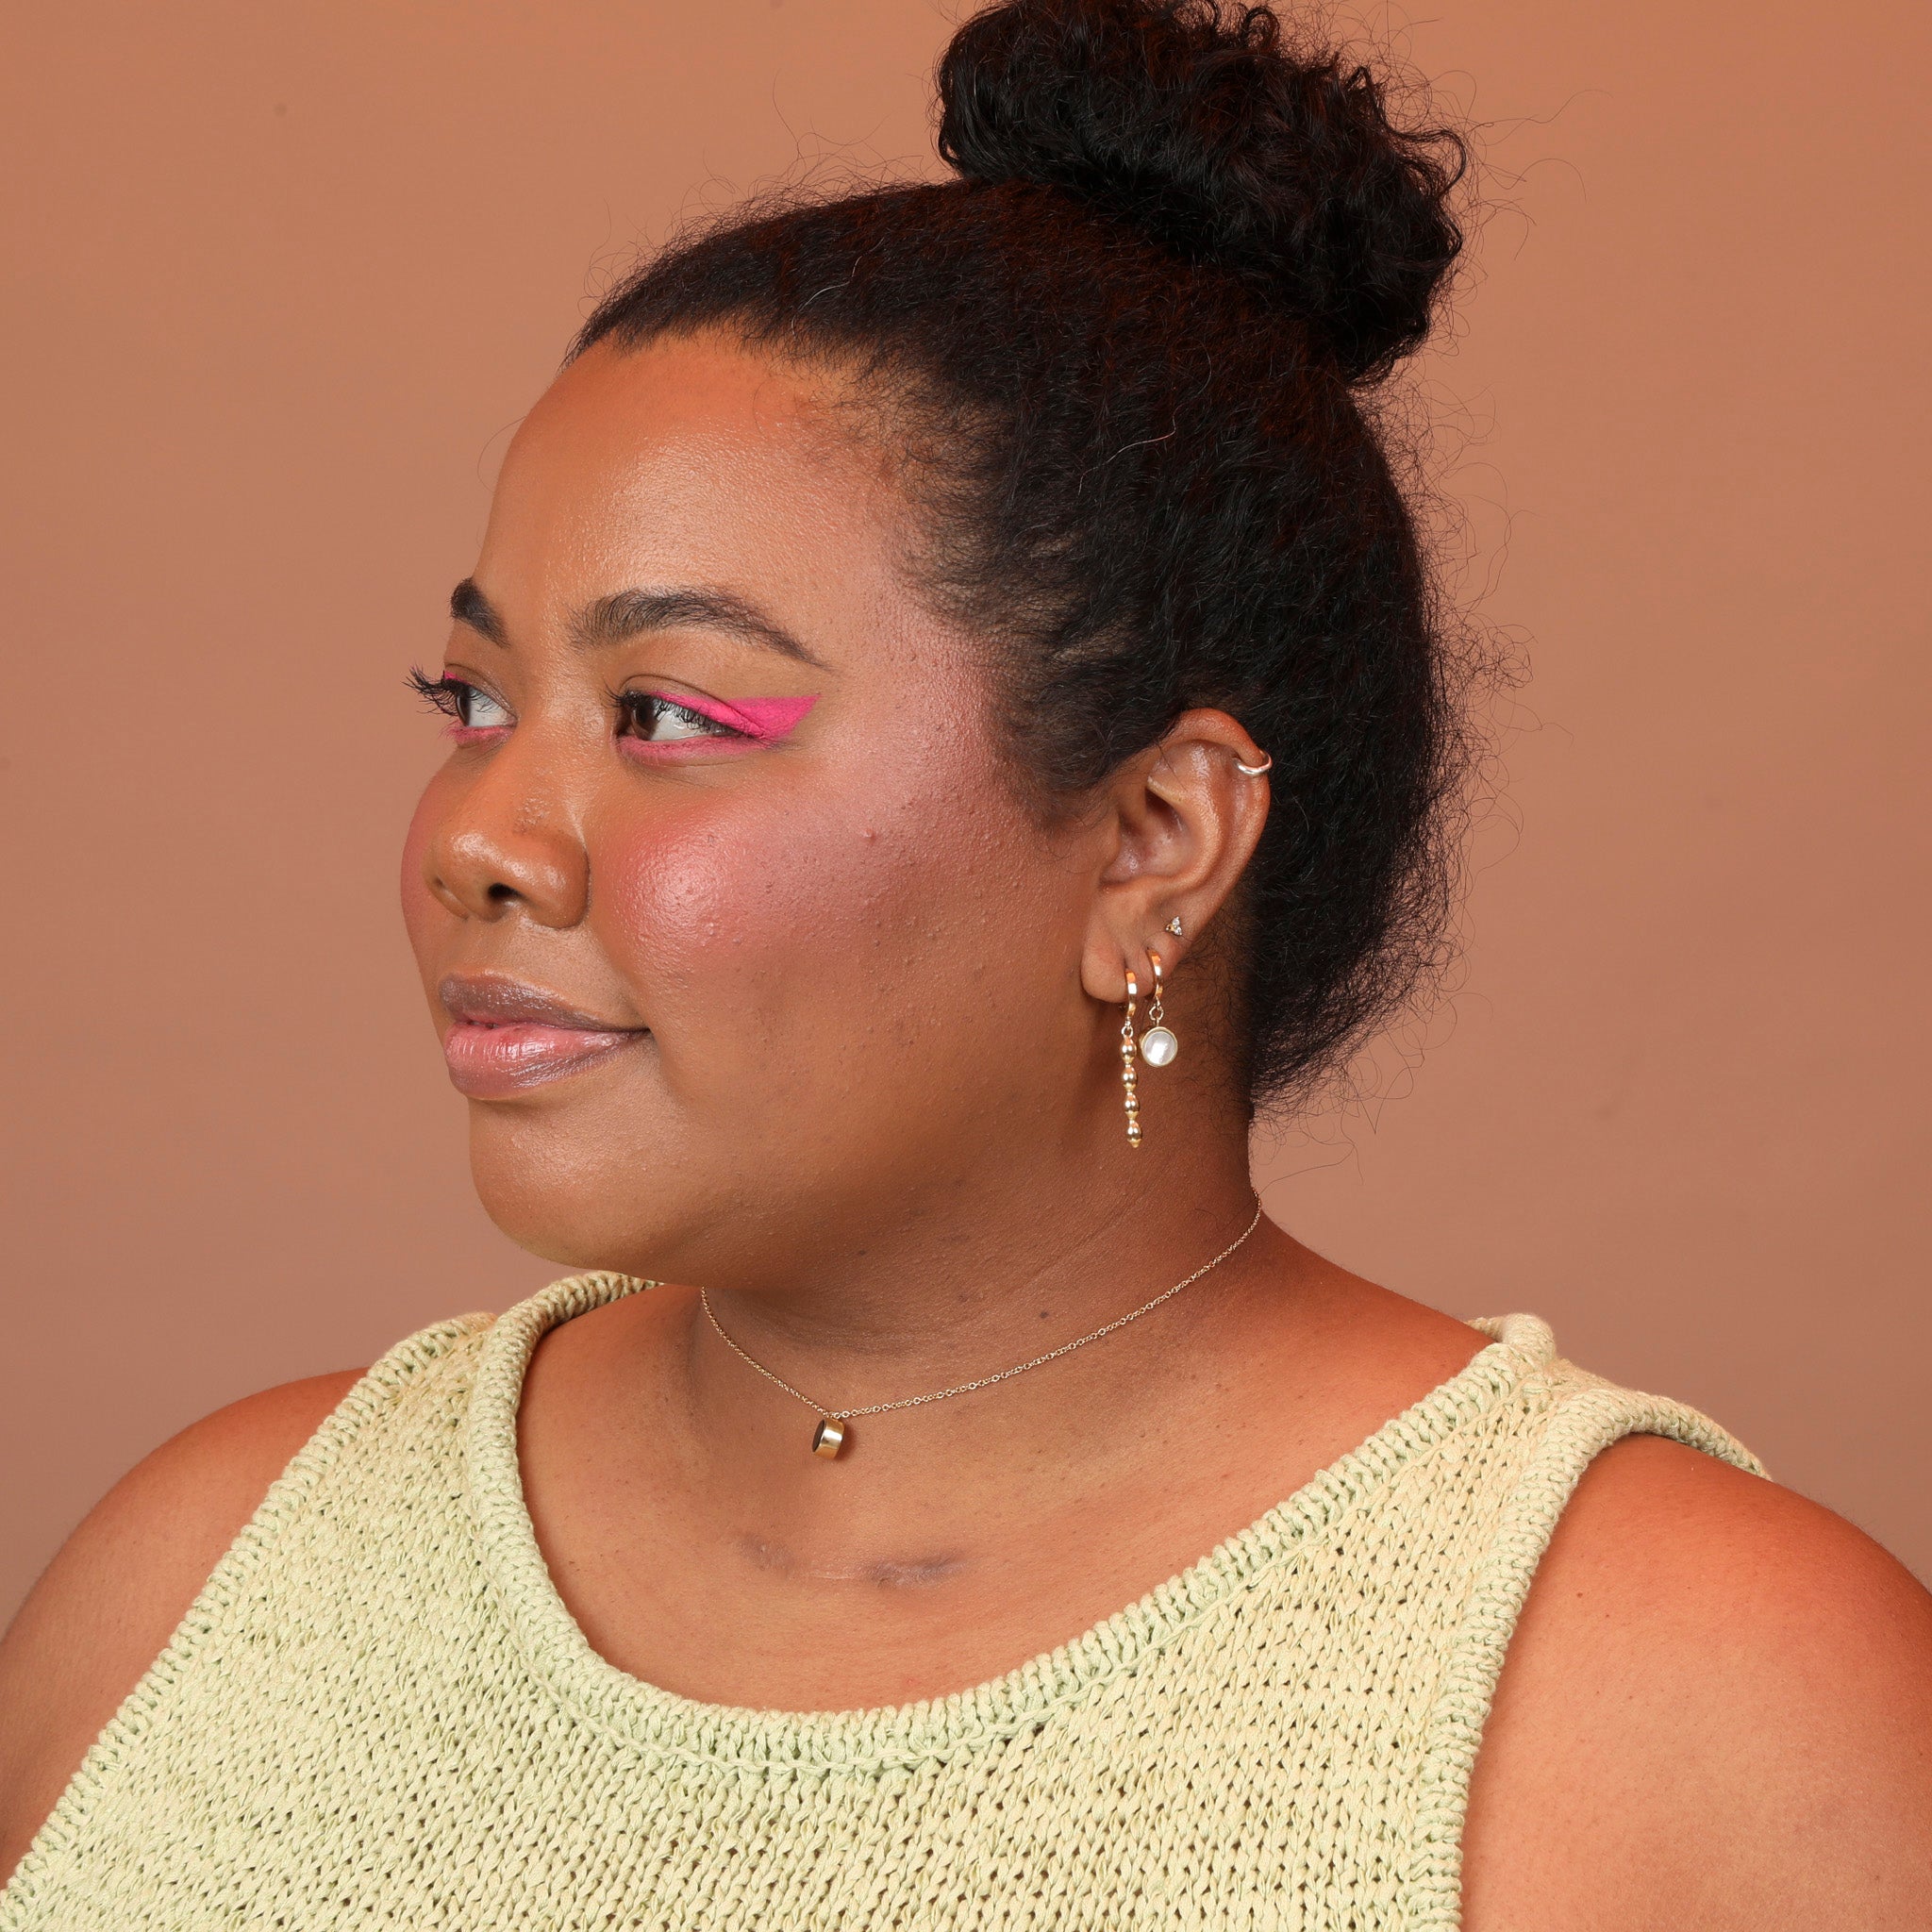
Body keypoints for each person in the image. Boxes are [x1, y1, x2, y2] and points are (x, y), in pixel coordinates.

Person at [3, 0, 1928, 1924]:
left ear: (1153, 841)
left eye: (670, 712)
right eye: (473, 696)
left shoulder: (1690, 1701)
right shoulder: (214, 1578)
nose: (483, 838)